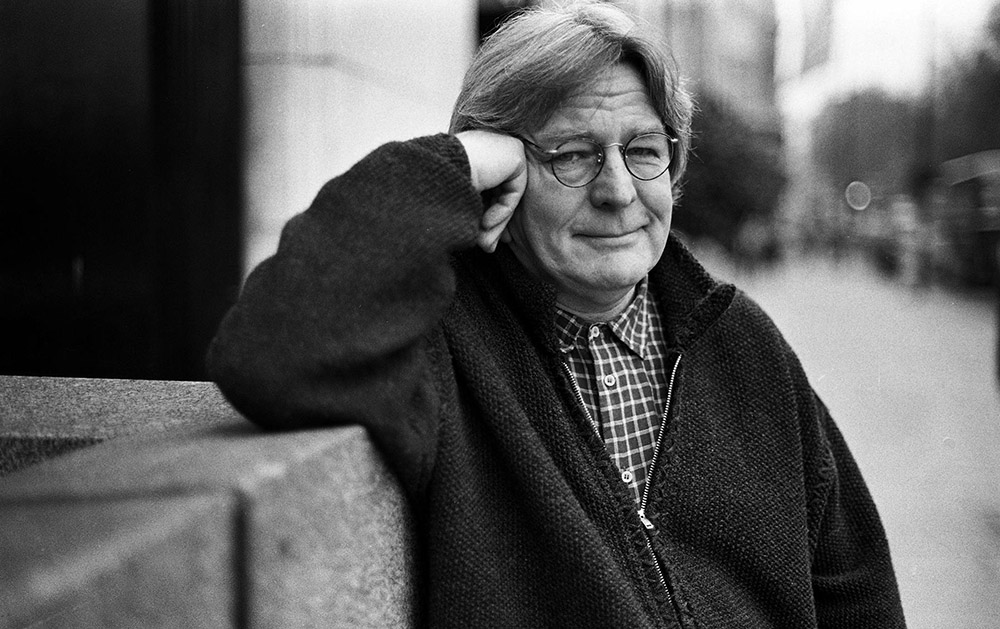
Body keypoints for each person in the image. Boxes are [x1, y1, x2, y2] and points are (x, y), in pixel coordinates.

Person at [207, 3, 907, 627]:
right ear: (504, 180)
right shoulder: (445, 350)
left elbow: (855, 589)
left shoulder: (743, 343)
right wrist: (458, 164)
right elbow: (271, 347)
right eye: (572, 156)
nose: (618, 191)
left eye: (643, 151)